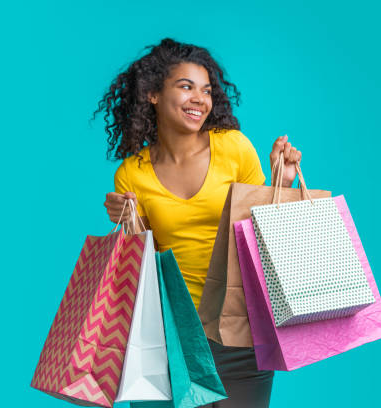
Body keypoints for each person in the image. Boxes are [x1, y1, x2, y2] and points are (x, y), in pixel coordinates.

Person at [94, 38, 302, 408]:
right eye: (186, 86)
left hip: (239, 331)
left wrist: (279, 185)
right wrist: (127, 221)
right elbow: (143, 267)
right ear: (153, 95)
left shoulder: (234, 148)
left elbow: (261, 240)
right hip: (168, 336)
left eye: (205, 90)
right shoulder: (132, 173)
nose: (200, 99)